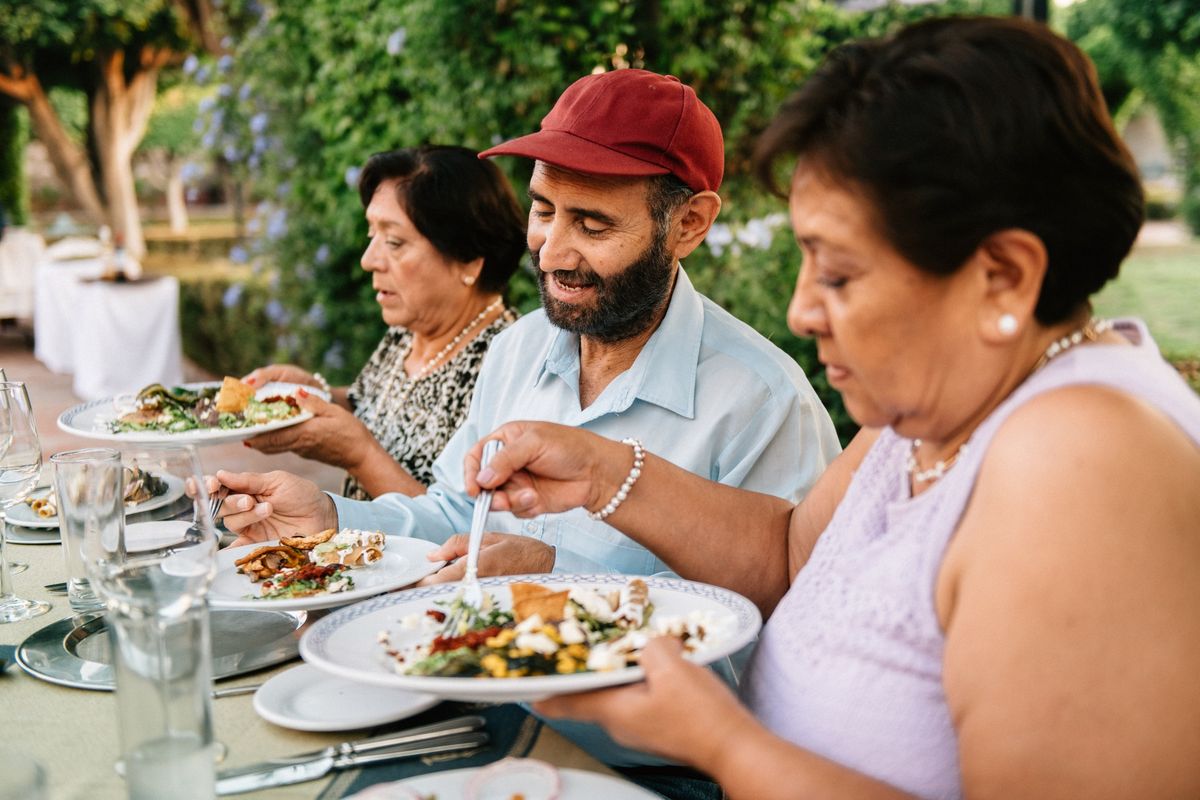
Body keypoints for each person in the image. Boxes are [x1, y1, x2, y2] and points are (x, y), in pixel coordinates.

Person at [455, 17, 1200, 799]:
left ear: (1005, 277)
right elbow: (790, 555)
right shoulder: (931, 407)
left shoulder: (1084, 458)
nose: (802, 310)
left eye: (839, 274)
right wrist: (602, 472)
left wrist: (716, 740)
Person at [217, 69, 840, 583]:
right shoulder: (517, 350)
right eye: (543, 211)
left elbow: (782, 607)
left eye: (593, 226)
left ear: (689, 224)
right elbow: (460, 510)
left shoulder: (764, 402)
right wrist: (331, 516)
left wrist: (556, 578)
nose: (552, 252)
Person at [239, 146, 525, 500]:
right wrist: (316, 395)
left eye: (393, 241)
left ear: (469, 260)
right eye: (371, 235)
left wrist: (359, 456)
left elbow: (470, 531)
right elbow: (375, 409)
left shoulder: (510, 362)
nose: (368, 260)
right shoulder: (411, 330)